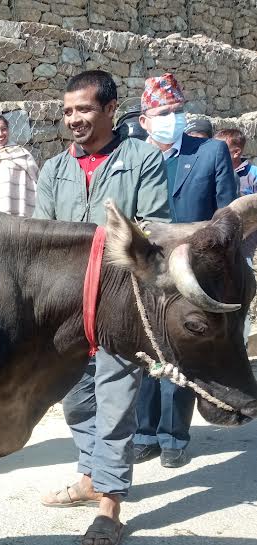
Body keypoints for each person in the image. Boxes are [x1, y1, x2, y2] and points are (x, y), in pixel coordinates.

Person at [34, 70, 170, 545]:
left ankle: (109, 506)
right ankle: (92, 475)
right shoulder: (53, 170)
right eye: (68, 110)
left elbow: (153, 229)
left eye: (85, 109)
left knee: (114, 403)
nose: (74, 119)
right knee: (76, 401)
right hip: (69, 310)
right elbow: (43, 239)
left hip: (118, 304)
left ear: (111, 109)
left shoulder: (140, 160)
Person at [133, 74, 238, 469]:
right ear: (145, 119)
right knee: (144, 350)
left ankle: (173, 435)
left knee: (182, 351)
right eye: (163, 112)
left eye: (178, 111)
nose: (172, 118)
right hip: (145, 272)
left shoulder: (210, 152)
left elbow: (227, 216)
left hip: (193, 273)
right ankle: (143, 432)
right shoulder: (132, 156)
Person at [216, 128, 257, 196]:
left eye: (219, 150)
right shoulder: (212, 173)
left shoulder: (253, 174)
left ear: (236, 152)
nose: (214, 154)